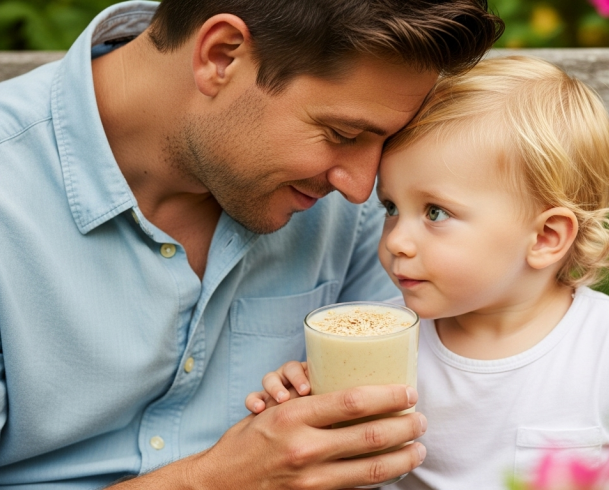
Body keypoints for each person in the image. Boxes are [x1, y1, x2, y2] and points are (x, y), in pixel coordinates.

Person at [0, 1, 503, 488]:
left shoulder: (361, 208)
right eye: (341, 133)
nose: (360, 188)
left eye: (383, 142)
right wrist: (212, 482)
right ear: (221, 56)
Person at [247, 56, 609, 489]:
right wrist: (301, 406)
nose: (395, 241)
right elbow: (336, 460)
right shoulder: (383, 341)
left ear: (546, 237)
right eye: (391, 207)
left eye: (436, 213)